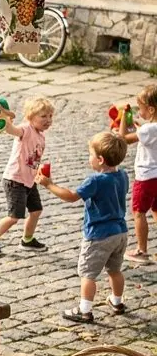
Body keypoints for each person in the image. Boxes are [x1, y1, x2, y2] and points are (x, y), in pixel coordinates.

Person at [38, 130, 129, 324]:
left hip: (99, 235)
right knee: (115, 270)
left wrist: (49, 184)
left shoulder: (95, 180)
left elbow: (71, 197)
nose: (89, 158)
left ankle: (84, 310)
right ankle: (117, 302)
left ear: (100, 160)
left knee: (88, 274)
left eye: (91, 155)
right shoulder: (123, 175)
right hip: (120, 232)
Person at [0, 97, 54, 255]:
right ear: (30, 117)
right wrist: (4, 120)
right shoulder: (26, 129)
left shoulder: (41, 136)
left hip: (29, 180)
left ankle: (27, 240)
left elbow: (33, 158)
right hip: (15, 179)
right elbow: (12, 130)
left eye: (50, 116)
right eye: (43, 116)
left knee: (36, 211)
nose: (48, 120)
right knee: (14, 217)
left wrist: (39, 171)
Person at [123, 83, 157, 263]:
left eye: (140, 108)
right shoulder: (149, 128)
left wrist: (124, 117)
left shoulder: (147, 130)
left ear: (151, 109)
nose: (138, 111)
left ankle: (141, 250)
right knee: (156, 210)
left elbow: (124, 138)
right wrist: (139, 128)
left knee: (139, 212)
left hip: (146, 177)